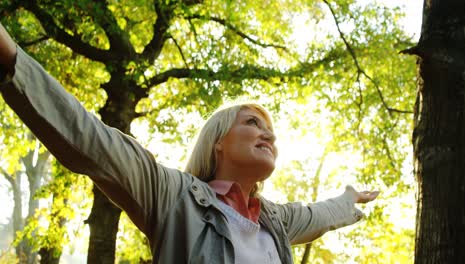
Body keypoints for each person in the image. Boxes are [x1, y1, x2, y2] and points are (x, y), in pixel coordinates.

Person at [0, 23, 379, 263]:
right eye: (252, 122)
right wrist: (10, 58)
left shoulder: (275, 220)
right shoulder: (172, 196)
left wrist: (349, 199)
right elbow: (90, 138)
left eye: (271, 130)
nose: (269, 134)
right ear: (218, 142)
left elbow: (322, 214)